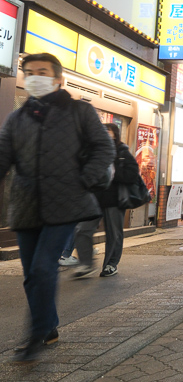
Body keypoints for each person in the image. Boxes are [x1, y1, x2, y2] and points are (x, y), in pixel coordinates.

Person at [0, 53, 114, 362]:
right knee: (31, 275)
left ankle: (35, 337)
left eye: (42, 71)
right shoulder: (17, 118)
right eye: (30, 72)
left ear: (57, 79)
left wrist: (83, 180)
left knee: (43, 267)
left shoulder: (80, 111)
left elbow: (104, 147)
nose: (35, 76)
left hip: (66, 202)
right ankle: (48, 326)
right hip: (25, 206)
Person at [73, 123, 142, 278]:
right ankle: (86, 264)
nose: (104, 132)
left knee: (114, 234)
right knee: (82, 229)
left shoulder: (122, 151)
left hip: (114, 199)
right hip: (93, 199)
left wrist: (111, 175)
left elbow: (132, 174)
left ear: (115, 134)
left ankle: (111, 264)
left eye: (108, 130)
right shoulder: (92, 151)